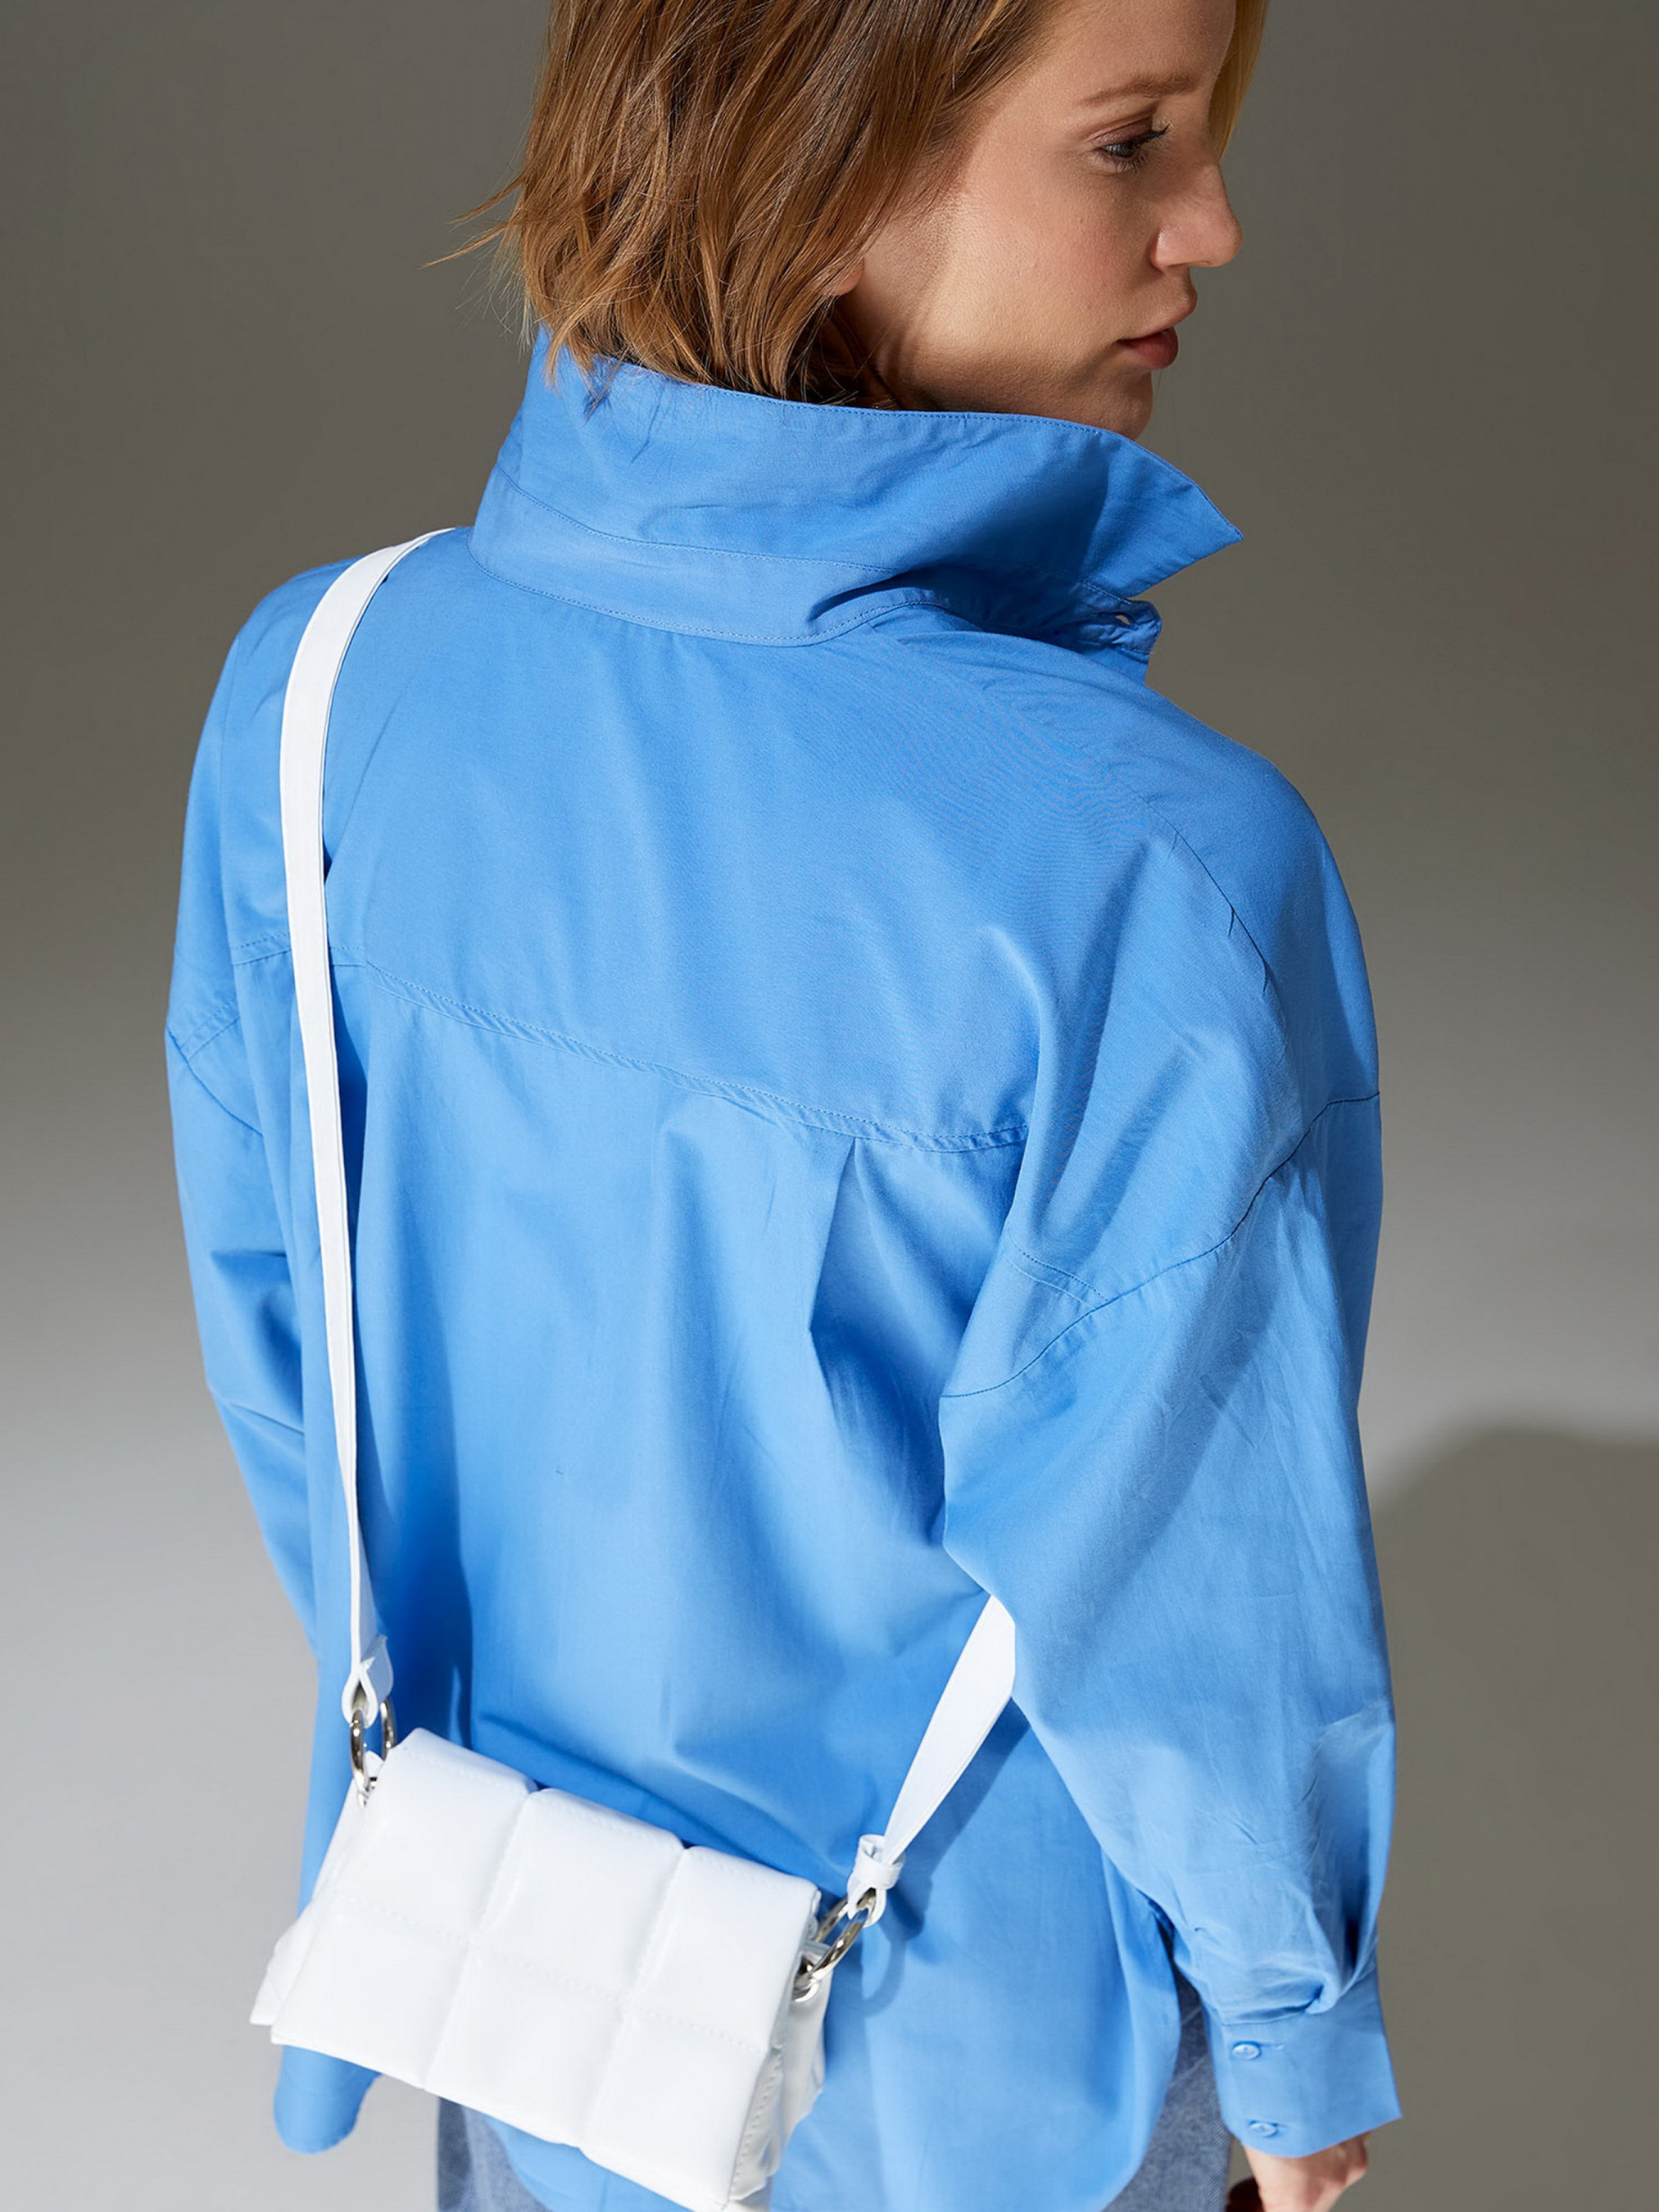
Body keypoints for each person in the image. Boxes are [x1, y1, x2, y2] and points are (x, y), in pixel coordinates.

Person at [165, 1, 1399, 2207]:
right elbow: (1188, 1573)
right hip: (998, 2078)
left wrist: (489, 1794)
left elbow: (302, 1379)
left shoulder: (319, 683)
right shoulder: (1155, 869)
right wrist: (1297, 2044)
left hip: (525, 1968)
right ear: (823, 170)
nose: (1210, 226)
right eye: (1129, 143)